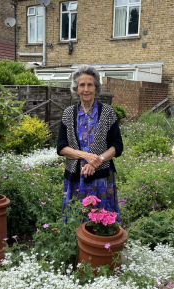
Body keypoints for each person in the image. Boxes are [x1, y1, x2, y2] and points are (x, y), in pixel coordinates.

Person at [57, 65, 123, 221]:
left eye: (90, 85)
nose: (86, 89)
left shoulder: (107, 112)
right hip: (75, 177)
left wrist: (97, 160)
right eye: (82, 85)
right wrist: (86, 156)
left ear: (96, 88)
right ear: (76, 88)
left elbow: (117, 146)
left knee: (101, 219)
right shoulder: (68, 113)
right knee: (75, 218)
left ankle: (102, 245)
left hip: (101, 177)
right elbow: (61, 147)